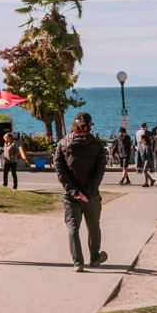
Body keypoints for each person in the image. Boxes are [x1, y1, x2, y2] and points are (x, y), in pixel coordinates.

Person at [54, 112, 107, 272]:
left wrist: (74, 192)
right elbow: (99, 171)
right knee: (94, 227)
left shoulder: (63, 144)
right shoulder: (97, 145)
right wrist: (88, 192)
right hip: (91, 194)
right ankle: (95, 258)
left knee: (72, 227)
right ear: (90, 125)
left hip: (70, 195)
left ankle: (78, 262)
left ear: (74, 125)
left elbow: (60, 170)